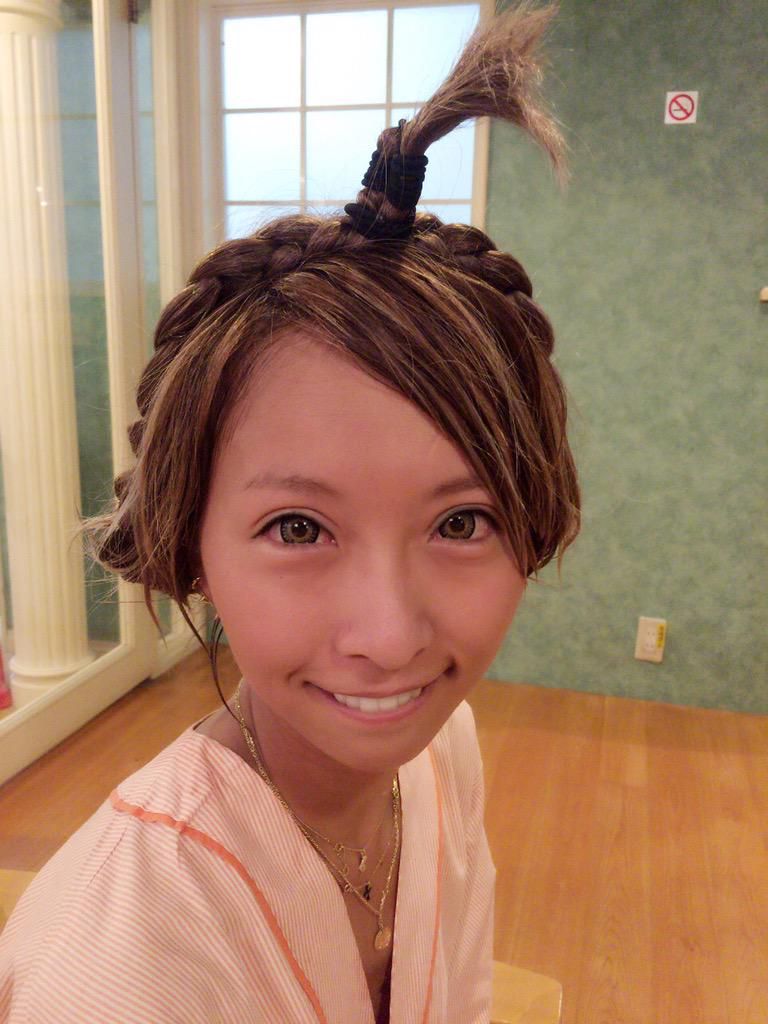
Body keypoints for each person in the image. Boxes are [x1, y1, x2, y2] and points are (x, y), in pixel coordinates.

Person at [0, 5, 580, 1022]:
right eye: (299, 529)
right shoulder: (117, 967)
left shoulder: (439, 751)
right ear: (190, 540)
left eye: (461, 522)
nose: (390, 639)